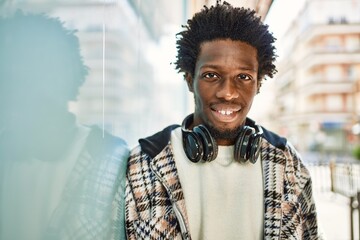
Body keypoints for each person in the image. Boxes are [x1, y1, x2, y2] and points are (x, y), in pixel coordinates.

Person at [125, 1, 323, 239]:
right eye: (211, 75)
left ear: (259, 84)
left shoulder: (287, 161)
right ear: (190, 80)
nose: (228, 92)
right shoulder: (146, 161)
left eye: (243, 77)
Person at [0, 11, 128, 240]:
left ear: (65, 79)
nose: (20, 90)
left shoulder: (107, 157)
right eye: (10, 78)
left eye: (34, 76)